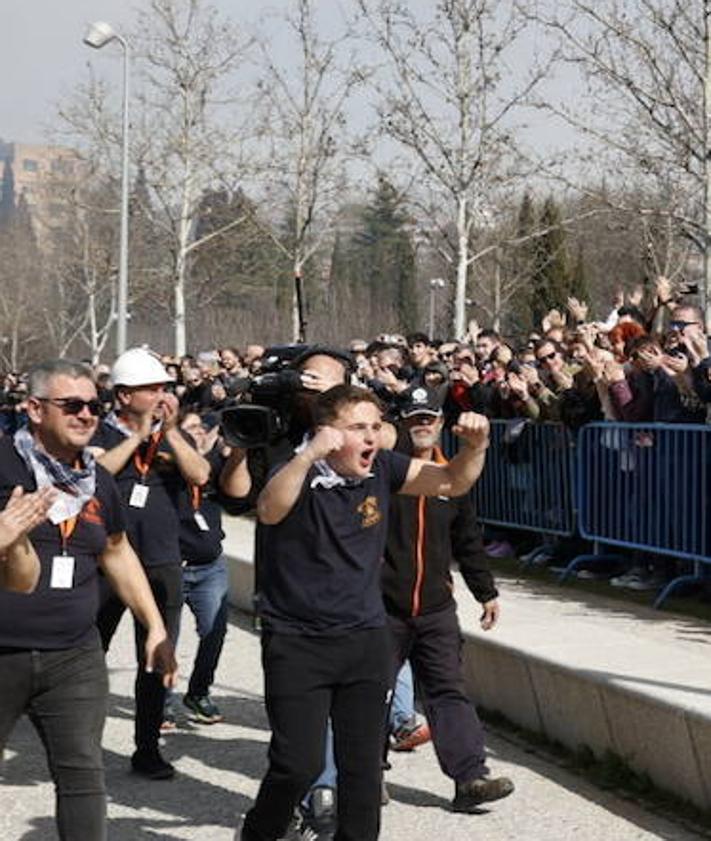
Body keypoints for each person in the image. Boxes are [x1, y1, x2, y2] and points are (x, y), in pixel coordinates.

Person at [241, 383, 490, 841]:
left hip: (364, 639)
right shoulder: (294, 468)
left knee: (361, 772)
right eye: (358, 428)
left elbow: (452, 481)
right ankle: (259, 833)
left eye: (377, 426)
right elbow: (270, 510)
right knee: (298, 765)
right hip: (298, 642)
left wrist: (477, 447)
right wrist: (306, 456)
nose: (373, 437)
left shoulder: (384, 469)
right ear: (326, 434)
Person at [0, 359, 176, 841]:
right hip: (3, 649)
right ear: (34, 409)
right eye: (71, 405)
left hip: (74, 653)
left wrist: (155, 624)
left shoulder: (93, 478)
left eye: (93, 406)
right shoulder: (3, 466)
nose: (85, 415)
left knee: (82, 774)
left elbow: (116, 550)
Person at [382, 386, 514, 813]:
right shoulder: (384, 471)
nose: (423, 425)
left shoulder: (454, 473)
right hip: (382, 605)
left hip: (436, 607)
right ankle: (363, 776)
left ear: (441, 424)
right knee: (367, 695)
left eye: (430, 418)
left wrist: (485, 591)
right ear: (401, 423)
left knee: (448, 691)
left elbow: (468, 538)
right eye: (414, 417)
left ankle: (470, 778)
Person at [90, 347, 209, 780]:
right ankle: (81, 744)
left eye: (164, 387)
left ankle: (146, 749)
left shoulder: (173, 437)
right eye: (150, 389)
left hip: (161, 563)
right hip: (106, 563)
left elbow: (200, 476)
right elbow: (98, 474)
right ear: (123, 396)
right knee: (88, 653)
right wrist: (137, 437)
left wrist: (170, 433)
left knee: (157, 659)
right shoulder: (98, 432)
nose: (161, 395)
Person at [162, 411, 251, 728]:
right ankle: (161, 701)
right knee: (164, 640)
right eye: (189, 428)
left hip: (209, 568)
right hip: (170, 567)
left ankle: (198, 692)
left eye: (202, 428)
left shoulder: (216, 465)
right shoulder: (162, 467)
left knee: (214, 633)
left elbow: (237, 498)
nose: (197, 434)